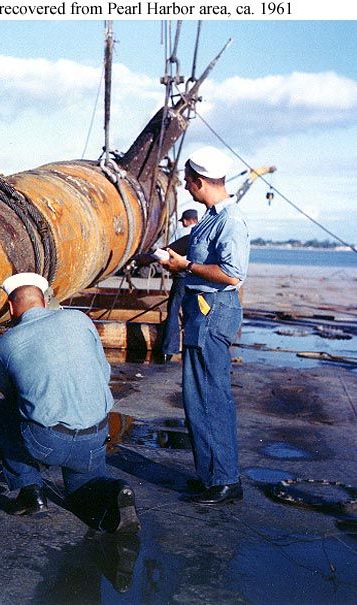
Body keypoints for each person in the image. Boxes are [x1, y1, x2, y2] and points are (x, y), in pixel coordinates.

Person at [0, 272, 140, 533]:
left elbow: (10, 395)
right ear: (44, 302)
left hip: (47, 444)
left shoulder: (4, 345)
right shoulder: (80, 319)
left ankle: (31, 491)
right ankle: (114, 490)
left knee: (0, 413)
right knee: (83, 485)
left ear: (11, 308)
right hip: (96, 436)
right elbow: (103, 373)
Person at [159, 146, 250, 506]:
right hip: (203, 310)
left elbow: (231, 274)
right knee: (197, 397)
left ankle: (225, 481)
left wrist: (186, 268)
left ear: (199, 182)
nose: (185, 186)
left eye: (187, 181)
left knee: (210, 397)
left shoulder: (230, 221)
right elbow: (197, 247)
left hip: (213, 310)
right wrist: (168, 251)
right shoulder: (213, 217)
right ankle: (212, 476)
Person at [160, 208, 199, 359]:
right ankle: (191, 350)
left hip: (181, 276)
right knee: (193, 313)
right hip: (196, 276)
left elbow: (169, 252)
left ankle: (169, 350)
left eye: (183, 220)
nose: (182, 222)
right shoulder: (201, 231)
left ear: (190, 220)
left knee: (174, 311)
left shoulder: (179, 232)